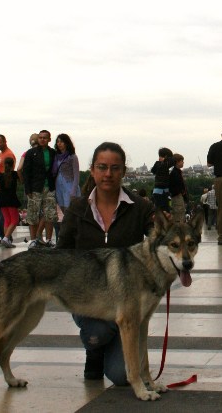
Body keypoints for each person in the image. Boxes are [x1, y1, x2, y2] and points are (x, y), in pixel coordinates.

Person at [57, 141, 154, 383]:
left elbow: (158, 241)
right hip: (87, 298)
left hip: (125, 297)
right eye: (102, 167)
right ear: (92, 170)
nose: (108, 174)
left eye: (115, 168)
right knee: (97, 331)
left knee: (121, 376)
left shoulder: (140, 208)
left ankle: (103, 345)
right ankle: (95, 349)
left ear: (124, 171)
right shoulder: (78, 209)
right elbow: (62, 254)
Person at [23, 129, 58, 248]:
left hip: (49, 187)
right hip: (35, 188)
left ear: (49, 139)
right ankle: (33, 240)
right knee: (33, 214)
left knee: (50, 214)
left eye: (45, 138)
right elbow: (26, 172)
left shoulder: (53, 153)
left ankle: (49, 239)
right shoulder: (31, 153)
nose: (42, 139)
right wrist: (27, 189)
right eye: (40, 137)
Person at [53, 134, 81, 212]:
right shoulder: (56, 157)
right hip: (58, 185)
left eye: (62, 141)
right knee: (63, 208)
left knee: (70, 209)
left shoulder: (72, 156)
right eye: (58, 142)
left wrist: (73, 190)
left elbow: (76, 175)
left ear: (66, 143)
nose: (59, 144)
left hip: (69, 184)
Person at [0, 157, 21, 248]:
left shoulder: (0, 176)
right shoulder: (15, 175)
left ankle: (7, 240)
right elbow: (22, 181)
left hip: (2, 200)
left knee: (7, 220)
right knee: (15, 220)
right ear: (13, 165)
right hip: (11, 199)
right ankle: (6, 238)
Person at [150, 147, 175, 213]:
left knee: (160, 210)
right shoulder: (164, 164)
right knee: (164, 211)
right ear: (166, 156)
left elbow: (153, 171)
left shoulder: (157, 164)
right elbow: (173, 161)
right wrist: (166, 159)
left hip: (158, 191)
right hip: (162, 192)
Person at [168, 153, 188, 223]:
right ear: (177, 162)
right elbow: (176, 186)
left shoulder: (177, 172)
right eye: (182, 161)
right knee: (179, 215)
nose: (183, 162)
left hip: (178, 195)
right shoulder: (175, 173)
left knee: (180, 213)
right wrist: (181, 192)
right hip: (177, 196)